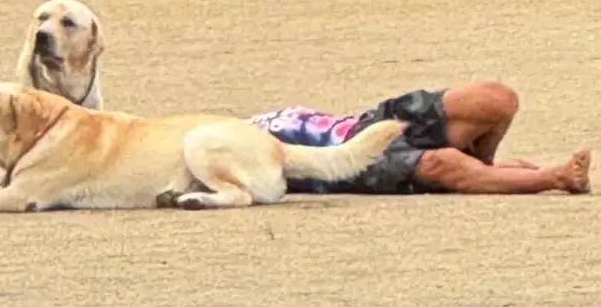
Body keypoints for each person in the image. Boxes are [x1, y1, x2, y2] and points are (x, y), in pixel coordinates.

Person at [250, 82, 591, 195]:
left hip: (369, 122)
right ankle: (555, 177)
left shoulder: (217, 131)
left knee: (495, 97)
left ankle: (487, 171)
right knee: (443, 164)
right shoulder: (216, 159)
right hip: (352, 162)